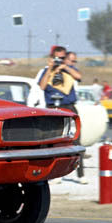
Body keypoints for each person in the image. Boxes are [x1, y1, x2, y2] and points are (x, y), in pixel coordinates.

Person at [37, 46, 84, 179]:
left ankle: (80, 174)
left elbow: (78, 76)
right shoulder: (47, 71)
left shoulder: (69, 70)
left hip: (67, 106)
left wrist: (65, 67)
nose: (59, 60)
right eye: (56, 57)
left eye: (62, 58)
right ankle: (54, 174)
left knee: (75, 140)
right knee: (52, 141)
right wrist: (50, 68)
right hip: (52, 108)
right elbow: (42, 86)